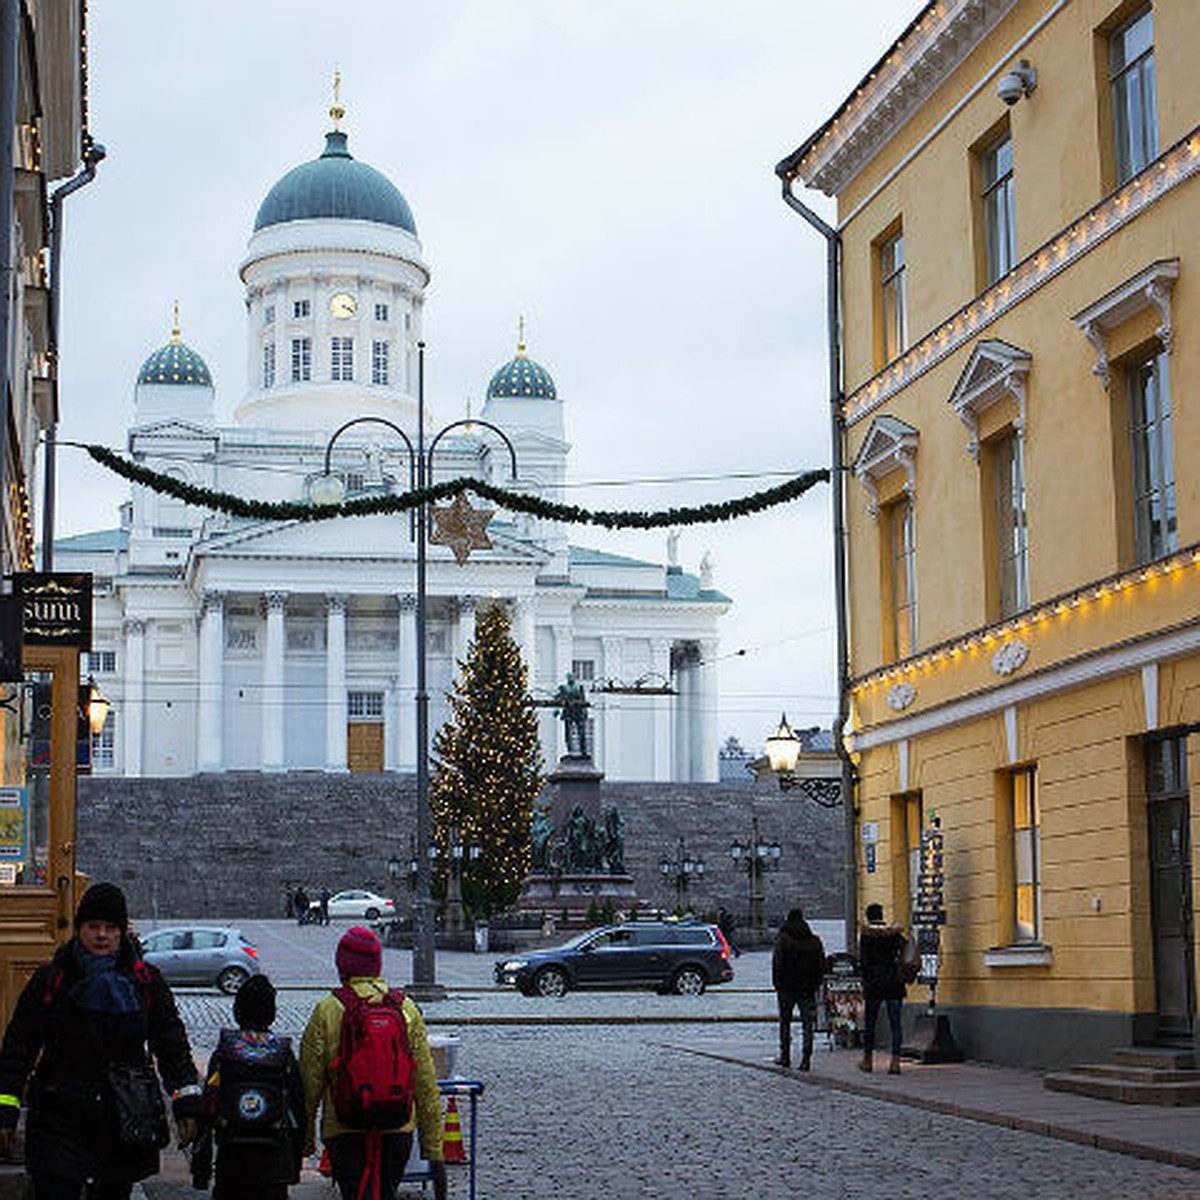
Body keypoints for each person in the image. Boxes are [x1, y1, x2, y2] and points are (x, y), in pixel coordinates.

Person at [0, 882, 203, 1198]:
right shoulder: (51, 980)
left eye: (110, 927)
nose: (102, 935)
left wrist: (186, 1101)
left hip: (121, 1120)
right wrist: (5, 1107)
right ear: (79, 929)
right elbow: (18, 1048)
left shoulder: (145, 983)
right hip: (59, 1117)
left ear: (123, 932)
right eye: (94, 926)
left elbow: (171, 1046)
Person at [299, 926, 446, 1200]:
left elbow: (309, 1083)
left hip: (344, 1128)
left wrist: (304, 1143)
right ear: (377, 964)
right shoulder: (405, 1008)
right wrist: (433, 1150)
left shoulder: (328, 1009)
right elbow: (425, 1085)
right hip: (397, 1128)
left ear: (342, 965)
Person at [192, 974, 305, 1200]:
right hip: (274, 1164)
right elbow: (299, 1112)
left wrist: (201, 1170)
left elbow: (208, 1109)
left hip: (232, 1160)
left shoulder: (225, 1053)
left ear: (238, 1010)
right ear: (271, 1013)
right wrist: (295, 1166)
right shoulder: (282, 1054)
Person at [771, 907, 826, 1070]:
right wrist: (815, 983)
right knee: (807, 1024)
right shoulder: (814, 941)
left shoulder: (783, 939)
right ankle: (806, 1059)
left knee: (785, 1023)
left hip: (786, 987)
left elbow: (777, 963)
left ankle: (785, 1056)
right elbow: (822, 966)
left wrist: (777, 984)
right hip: (807, 988)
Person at [859, 901, 908, 1075]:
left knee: (870, 1023)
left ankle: (868, 1061)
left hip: (874, 984)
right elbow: (906, 951)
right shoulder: (893, 934)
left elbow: (863, 963)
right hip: (894, 983)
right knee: (895, 1024)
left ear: (868, 916)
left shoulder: (867, 936)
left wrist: (865, 980)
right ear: (881, 915)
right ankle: (895, 1062)